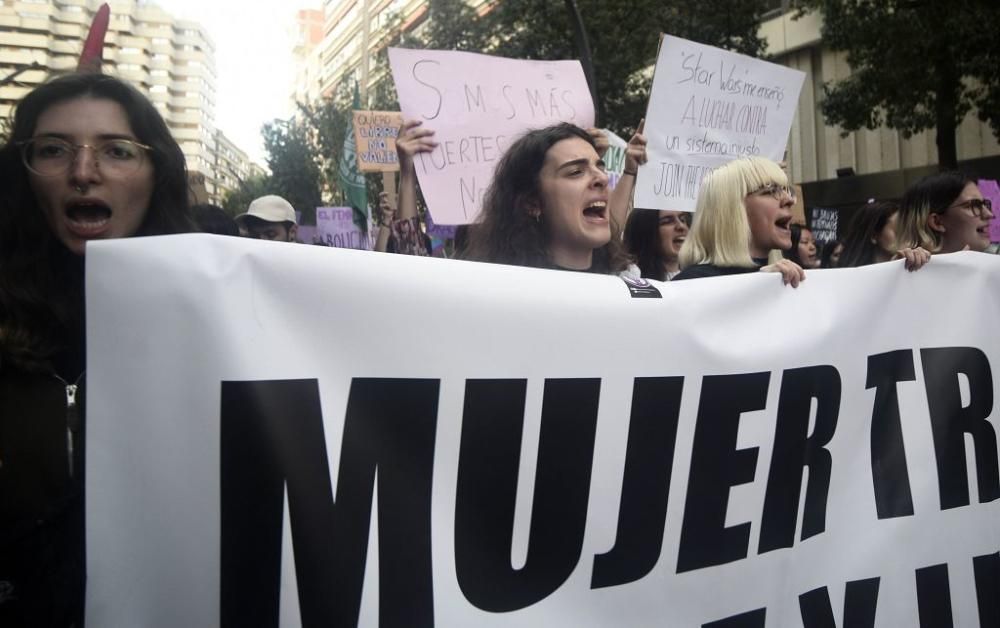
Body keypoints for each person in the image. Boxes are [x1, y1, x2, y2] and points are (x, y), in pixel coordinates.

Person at [0, 72, 195, 626]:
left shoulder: (209, 324)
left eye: (116, 151)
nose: (84, 173)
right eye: (54, 150)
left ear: (157, 174)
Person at [460, 122, 636, 276]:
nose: (603, 179)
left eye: (600, 167)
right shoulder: (501, 295)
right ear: (532, 203)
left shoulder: (626, 287)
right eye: (576, 172)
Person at [673, 157, 806, 286]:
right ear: (731, 209)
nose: (790, 200)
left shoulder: (785, 279)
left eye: (786, 190)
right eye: (770, 191)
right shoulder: (691, 284)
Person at [897, 171, 994, 254]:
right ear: (937, 222)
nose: (989, 214)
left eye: (984, 204)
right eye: (973, 206)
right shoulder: (908, 273)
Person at [623, 209, 690, 281]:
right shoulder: (631, 279)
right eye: (667, 222)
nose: (681, 226)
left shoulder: (699, 277)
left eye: (683, 220)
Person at [837, 201, 900, 267]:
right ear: (874, 235)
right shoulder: (846, 275)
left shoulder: (907, 270)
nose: (907, 237)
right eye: (899, 231)